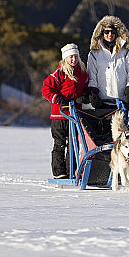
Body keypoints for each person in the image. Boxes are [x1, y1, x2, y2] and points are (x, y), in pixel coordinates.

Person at [41, 43, 89, 179]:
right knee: (60, 143)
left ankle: (71, 171)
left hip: (75, 115)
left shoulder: (82, 72)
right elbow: (46, 89)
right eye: (70, 57)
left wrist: (84, 97)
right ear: (65, 59)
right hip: (59, 115)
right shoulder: (59, 72)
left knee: (74, 144)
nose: (73, 60)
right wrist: (57, 98)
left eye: (75, 56)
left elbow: (86, 86)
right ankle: (59, 172)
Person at [86, 15, 129, 114]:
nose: (110, 34)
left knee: (120, 129)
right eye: (107, 32)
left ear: (117, 33)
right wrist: (93, 92)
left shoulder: (125, 53)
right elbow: (91, 75)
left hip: (121, 101)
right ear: (102, 33)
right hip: (102, 101)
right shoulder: (94, 54)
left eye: (112, 32)